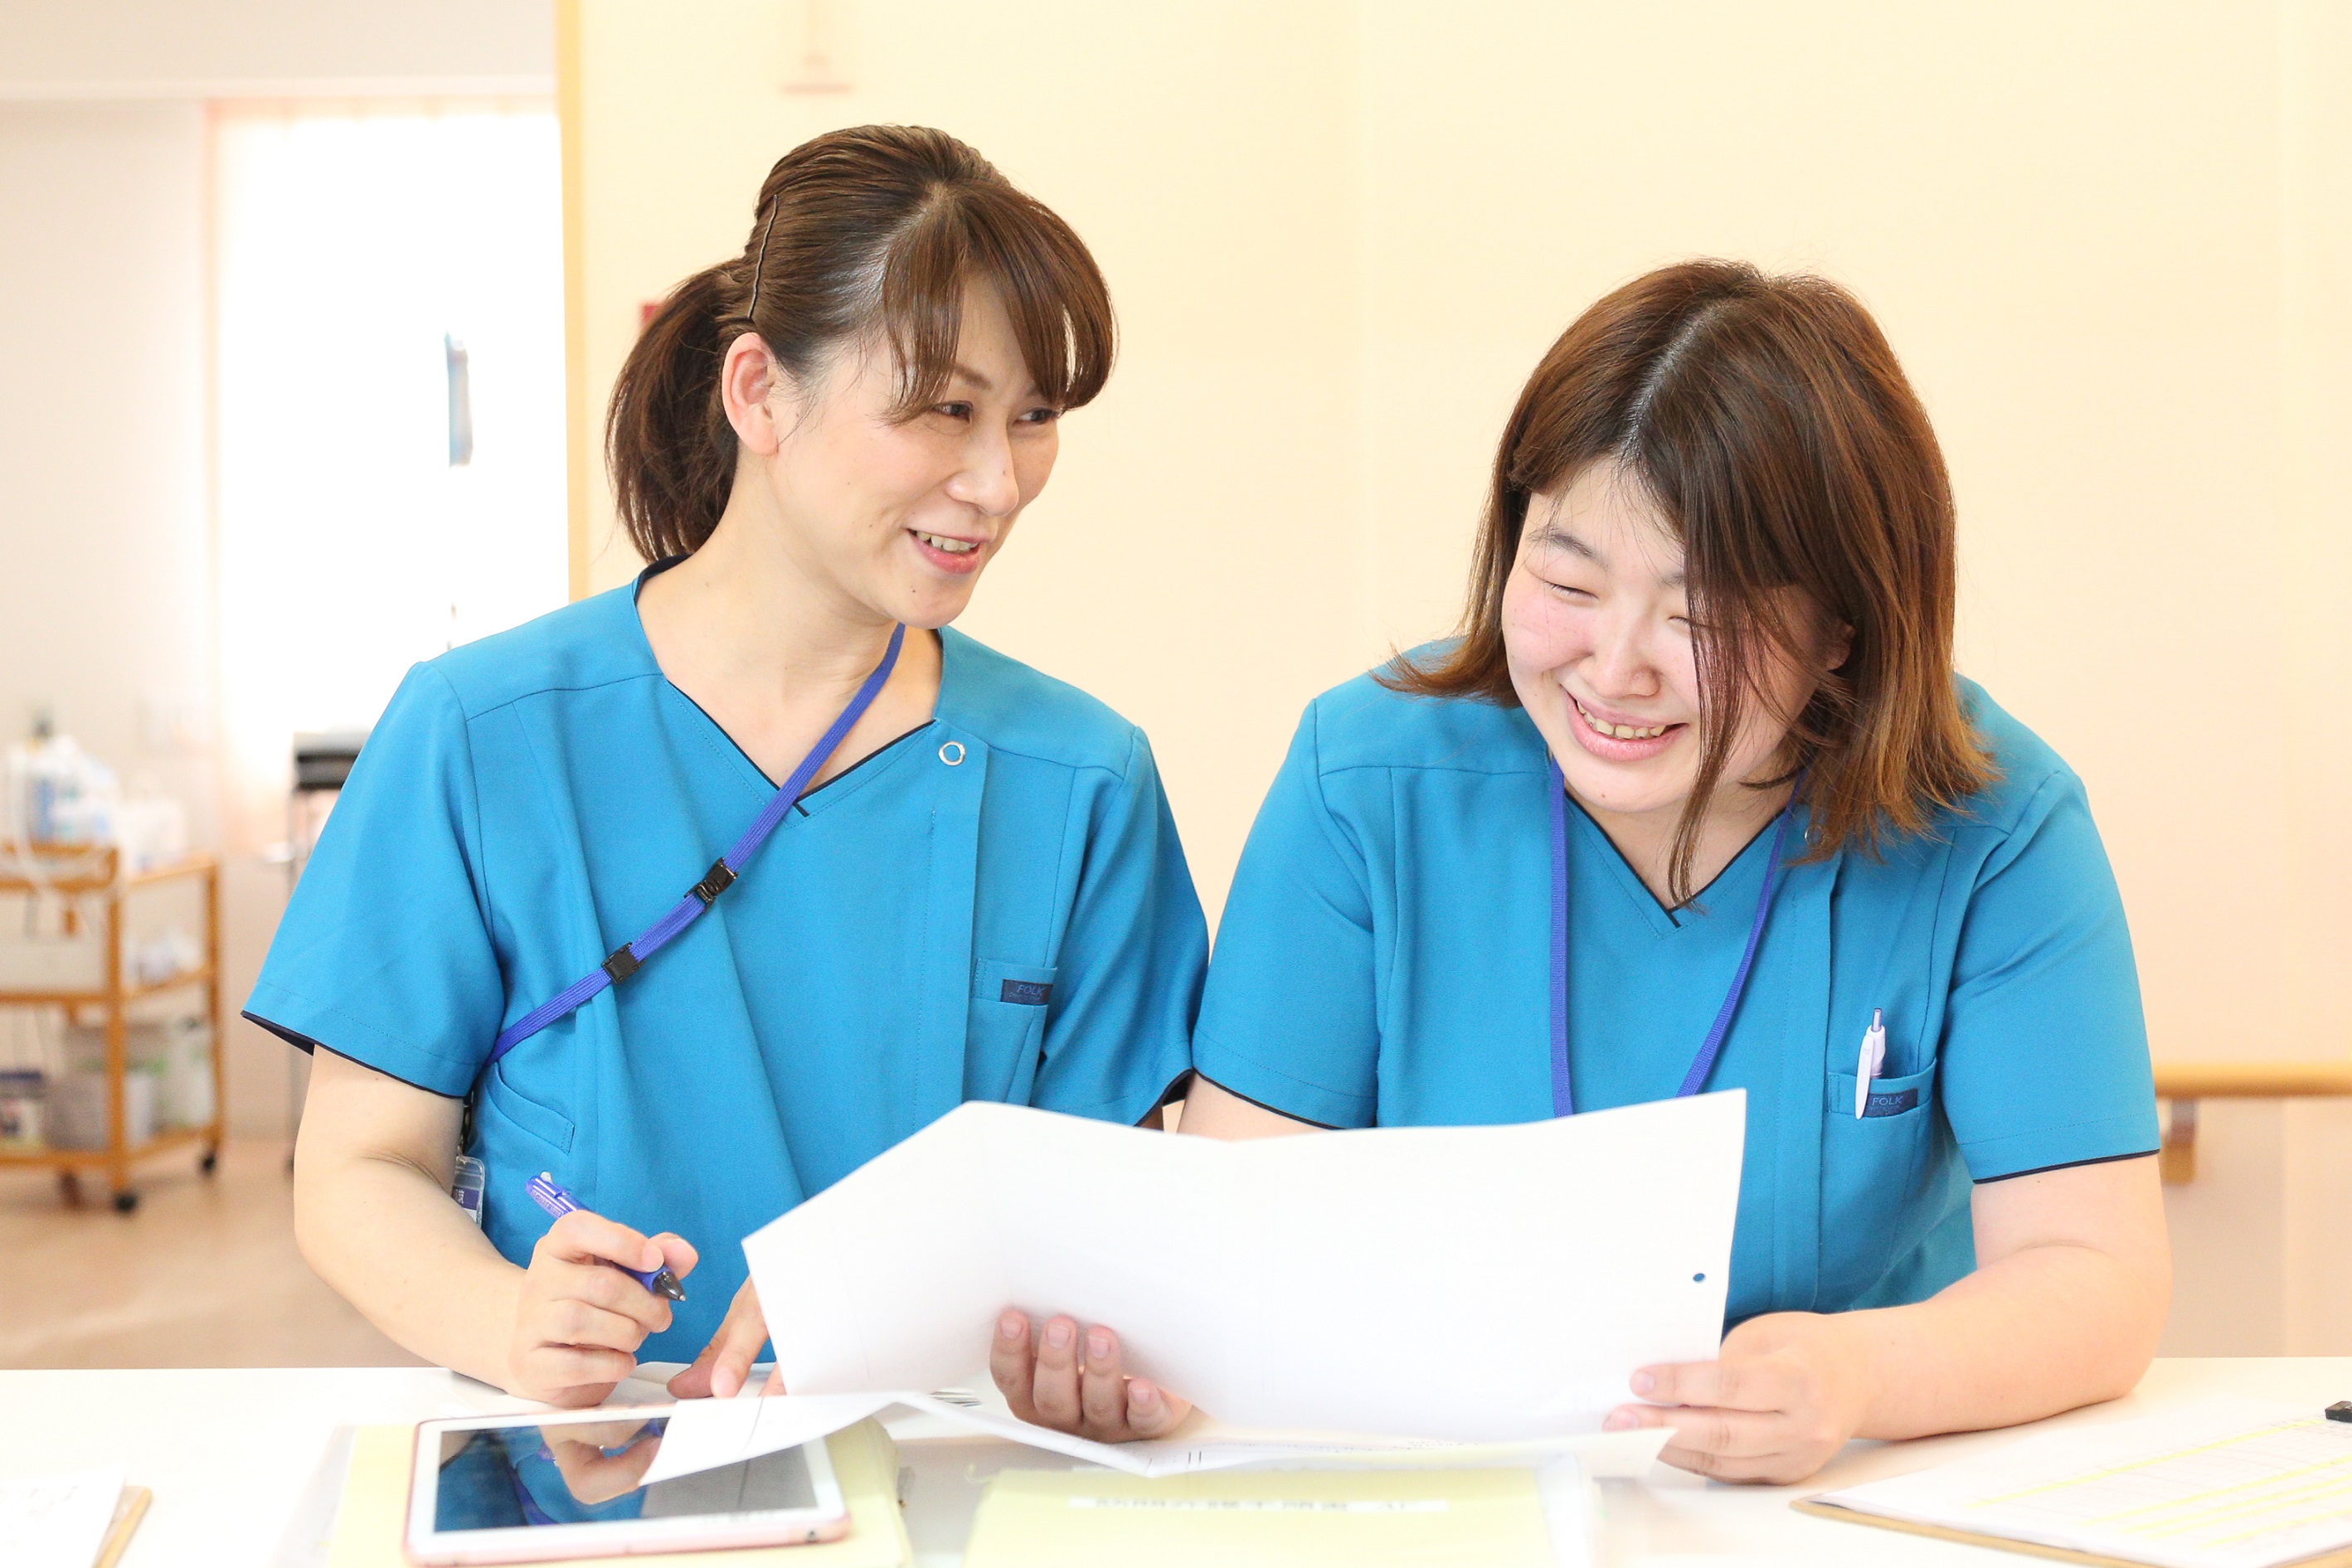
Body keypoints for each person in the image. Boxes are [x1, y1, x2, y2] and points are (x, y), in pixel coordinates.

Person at [994, 260, 2170, 1479]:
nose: (1614, 670)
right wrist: (1145, 1367)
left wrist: (1855, 1374)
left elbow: (2093, 1275)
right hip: (1443, 1485)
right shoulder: (1371, 777)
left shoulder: (1991, 824)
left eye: (1698, 616)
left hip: (1844, 1492)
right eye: (1566, 581)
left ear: (1843, 627)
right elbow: (1237, 1225)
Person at [252, 125, 1207, 1409]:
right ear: (759, 392)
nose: (999, 482)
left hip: (941, 1468)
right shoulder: (483, 733)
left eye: (1035, 418)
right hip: (587, 1465)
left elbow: (1106, 1214)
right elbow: (360, 1169)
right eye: (945, 410)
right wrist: (507, 1319)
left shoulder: (1081, 781)